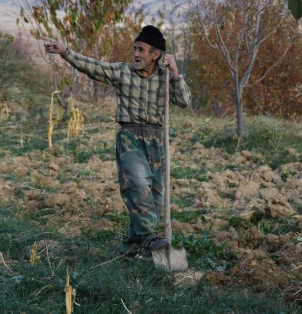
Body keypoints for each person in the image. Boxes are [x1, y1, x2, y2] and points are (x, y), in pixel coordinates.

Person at [43, 25, 191, 255]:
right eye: (135, 49)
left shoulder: (164, 79)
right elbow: (93, 67)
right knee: (139, 185)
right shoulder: (123, 72)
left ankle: (131, 248)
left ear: (156, 55)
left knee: (155, 199)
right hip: (130, 137)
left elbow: (184, 101)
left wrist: (174, 70)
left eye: (142, 50)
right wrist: (65, 52)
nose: (136, 54)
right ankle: (150, 239)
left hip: (156, 140)